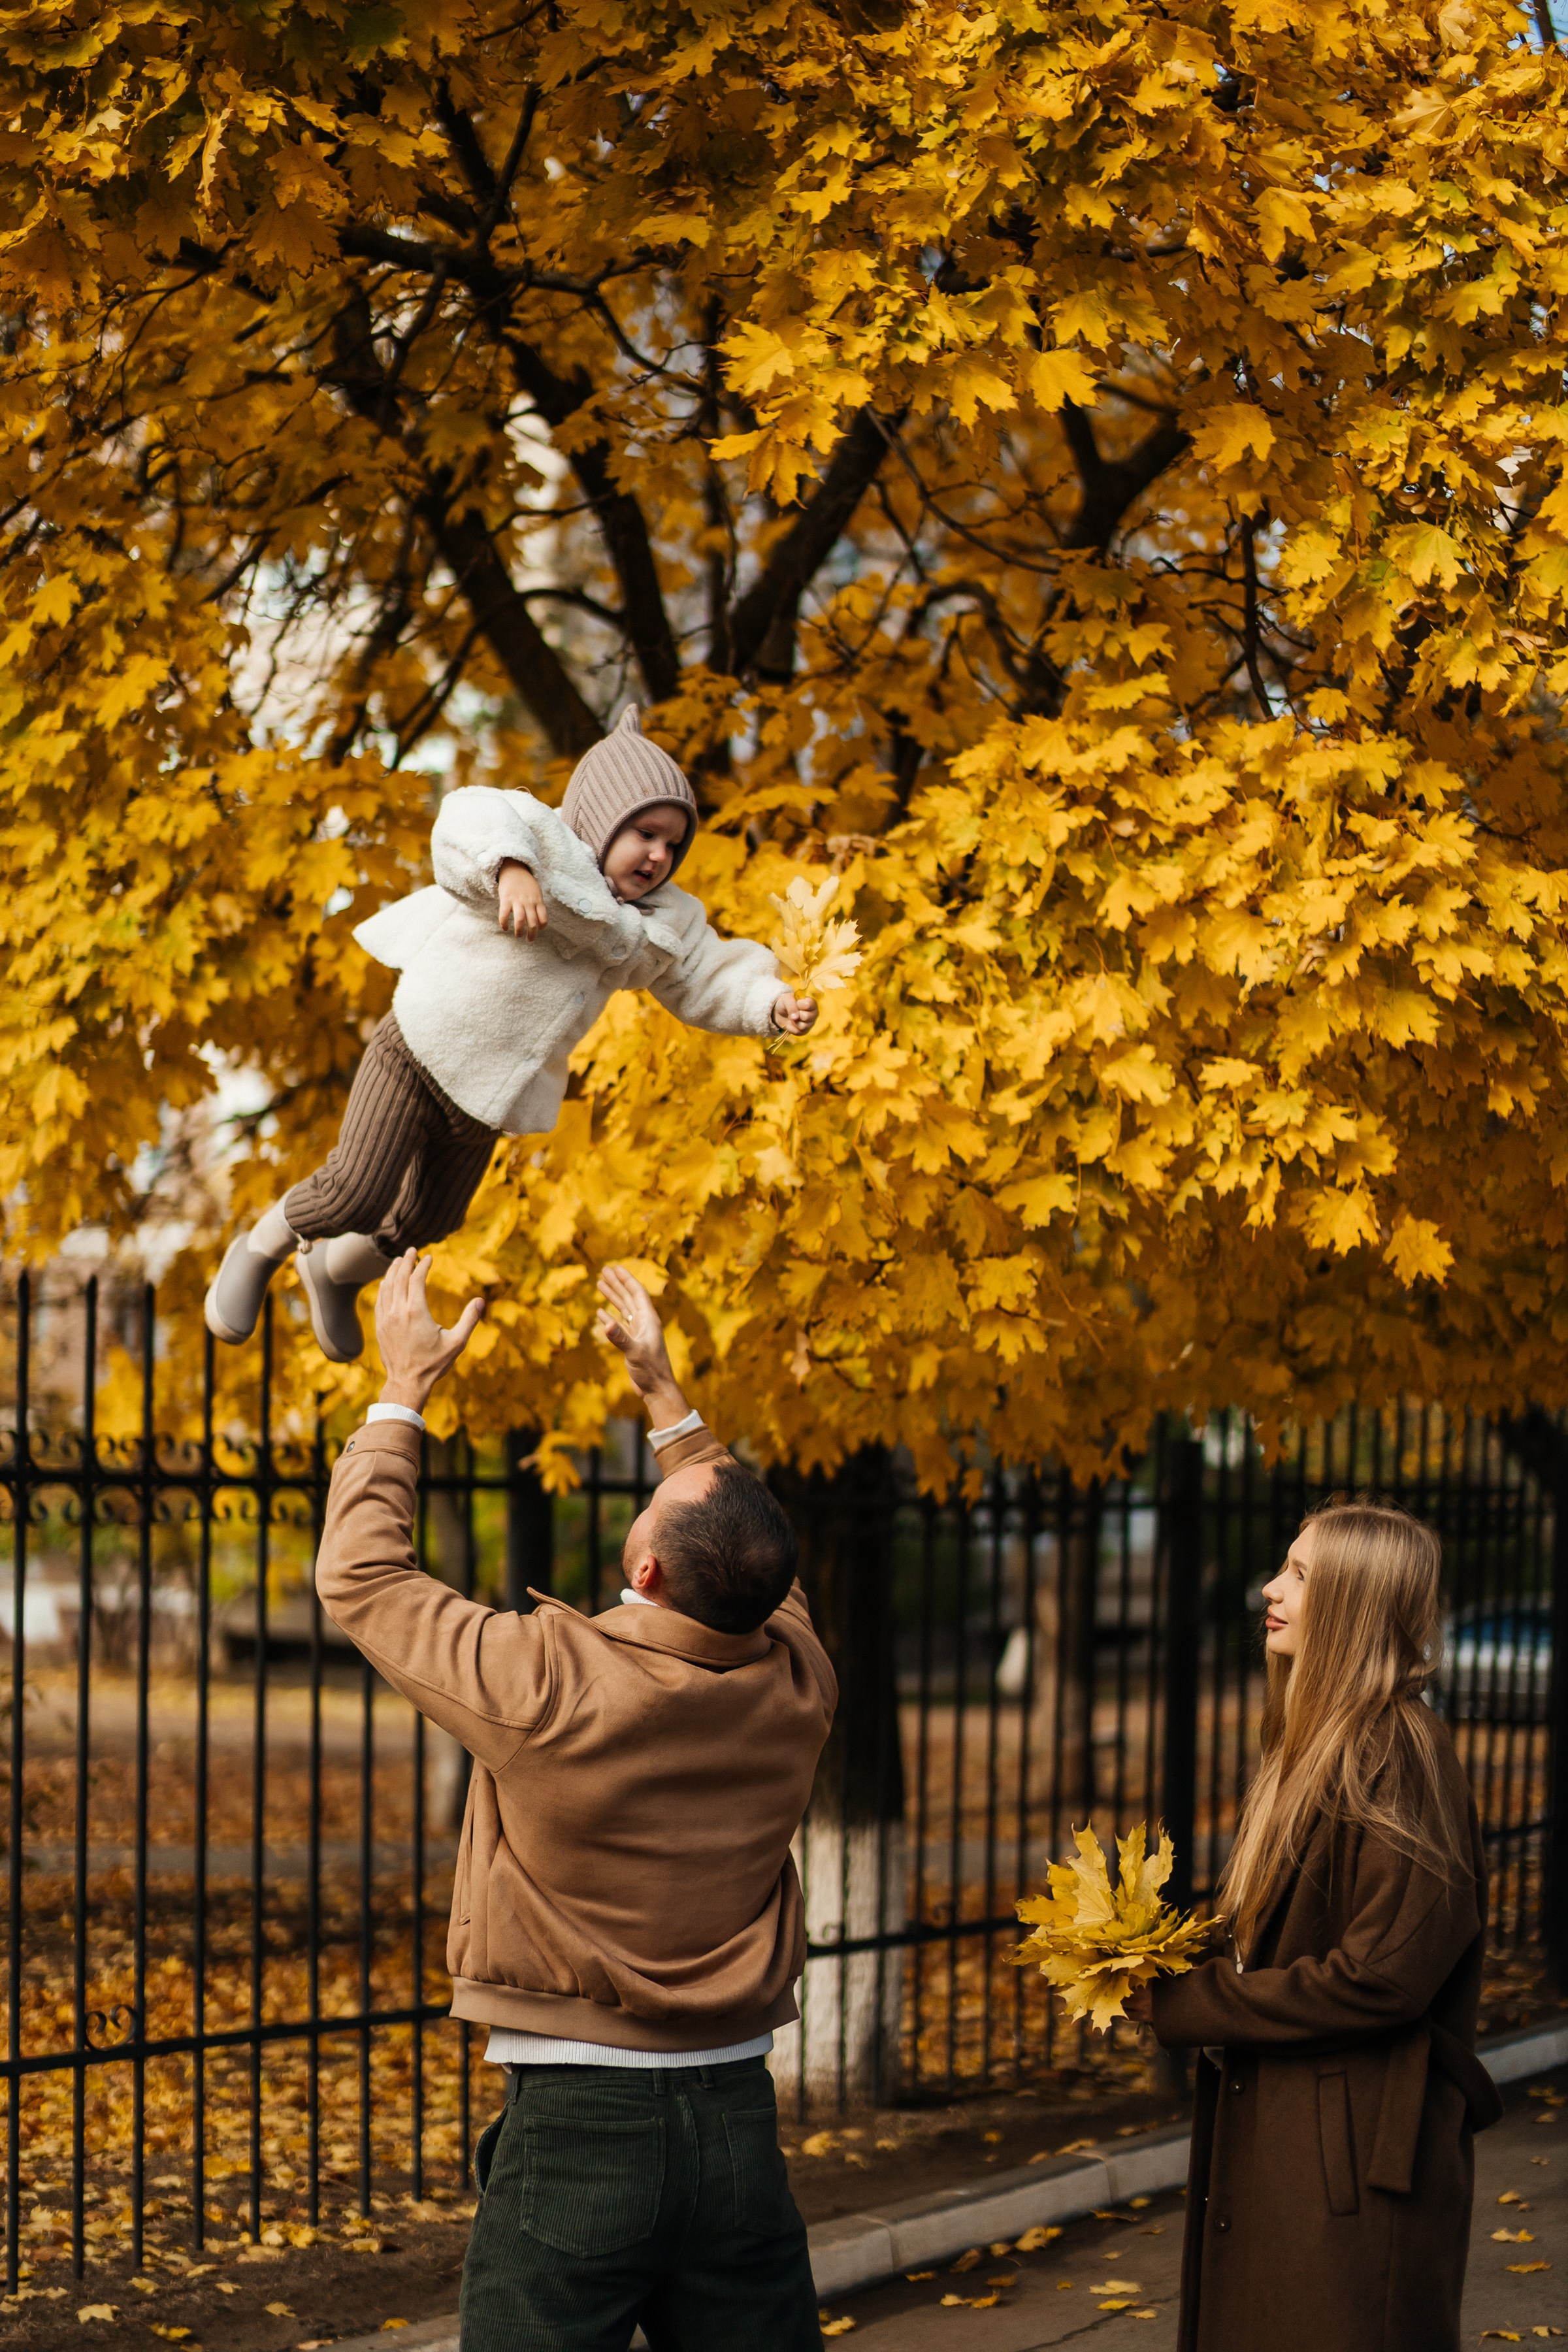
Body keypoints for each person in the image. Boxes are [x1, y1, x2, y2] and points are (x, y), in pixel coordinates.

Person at [313, 1252, 835, 2351]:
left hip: (581, 2123)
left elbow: (363, 1576)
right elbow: (753, 1548)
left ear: (644, 1573)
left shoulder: (551, 1684)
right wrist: (665, 1394)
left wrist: (402, 1389)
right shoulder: (799, 1677)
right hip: (739, 2121)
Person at [205, 708, 818, 1363]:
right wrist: (510, 868)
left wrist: (769, 1002)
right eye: (645, 834)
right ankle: (259, 1248)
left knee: (431, 1220)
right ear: (603, 819)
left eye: (673, 845)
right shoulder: (538, 839)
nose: (659, 856)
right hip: (419, 1050)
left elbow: (705, 973)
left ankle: (333, 1272)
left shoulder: (660, 921)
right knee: (356, 1191)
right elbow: (466, 820)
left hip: (491, 1100)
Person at [1128, 1499, 1502, 2352]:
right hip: (1298, 2140)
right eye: (1284, 1567)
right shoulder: (1320, 1745)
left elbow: (1384, 1977)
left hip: (1351, 2159)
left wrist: (1192, 2003)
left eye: (1300, 1574)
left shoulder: (1398, 1752)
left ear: (1355, 1605)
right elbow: (1281, 1936)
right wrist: (1149, 1958)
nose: (1271, 1588)